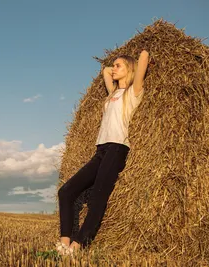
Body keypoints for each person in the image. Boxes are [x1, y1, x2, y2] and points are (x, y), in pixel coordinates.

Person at [56, 50, 149, 257]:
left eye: (119, 66)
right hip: (101, 149)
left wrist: (142, 50)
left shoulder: (133, 92)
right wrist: (116, 66)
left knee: (98, 197)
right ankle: (64, 242)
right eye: (114, 65)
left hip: (117, 148)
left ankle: (78, 245)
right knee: (66, 192)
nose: (113, 69)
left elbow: (142, 61)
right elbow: (105, 71)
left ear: (130, 70)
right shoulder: (112, 94)